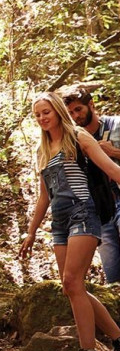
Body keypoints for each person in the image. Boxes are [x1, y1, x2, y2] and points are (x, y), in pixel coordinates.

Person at [20, 92, 120, 351]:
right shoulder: (42, 150)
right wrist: (30, 233)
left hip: (83, 214)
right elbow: (43, 198)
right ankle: (117, 338)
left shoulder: (78, 137)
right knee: (72, 288)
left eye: (46, 112)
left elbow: (112, 169)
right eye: (37, 114)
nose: (42, 118)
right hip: (60, 223)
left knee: (72, 281)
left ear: (57, 111)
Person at [62, 86, 120, 284]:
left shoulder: (116, 125)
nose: (75, 116)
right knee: (112, 273)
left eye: (78, 109)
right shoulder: (74, 140)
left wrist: (114, 153)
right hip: (100, 208)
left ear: (91, 105)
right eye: (70, 113)